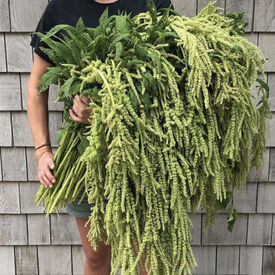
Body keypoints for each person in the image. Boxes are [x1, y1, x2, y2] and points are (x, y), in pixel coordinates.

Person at [27, 0, 174, 274]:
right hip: (85, 158)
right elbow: (38, 84)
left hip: (143, 152)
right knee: (96, 259)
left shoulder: (154, 3)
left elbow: (171, 78)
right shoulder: (61, 8)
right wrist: (42, 150)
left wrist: (109, 109)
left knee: (148, 259)